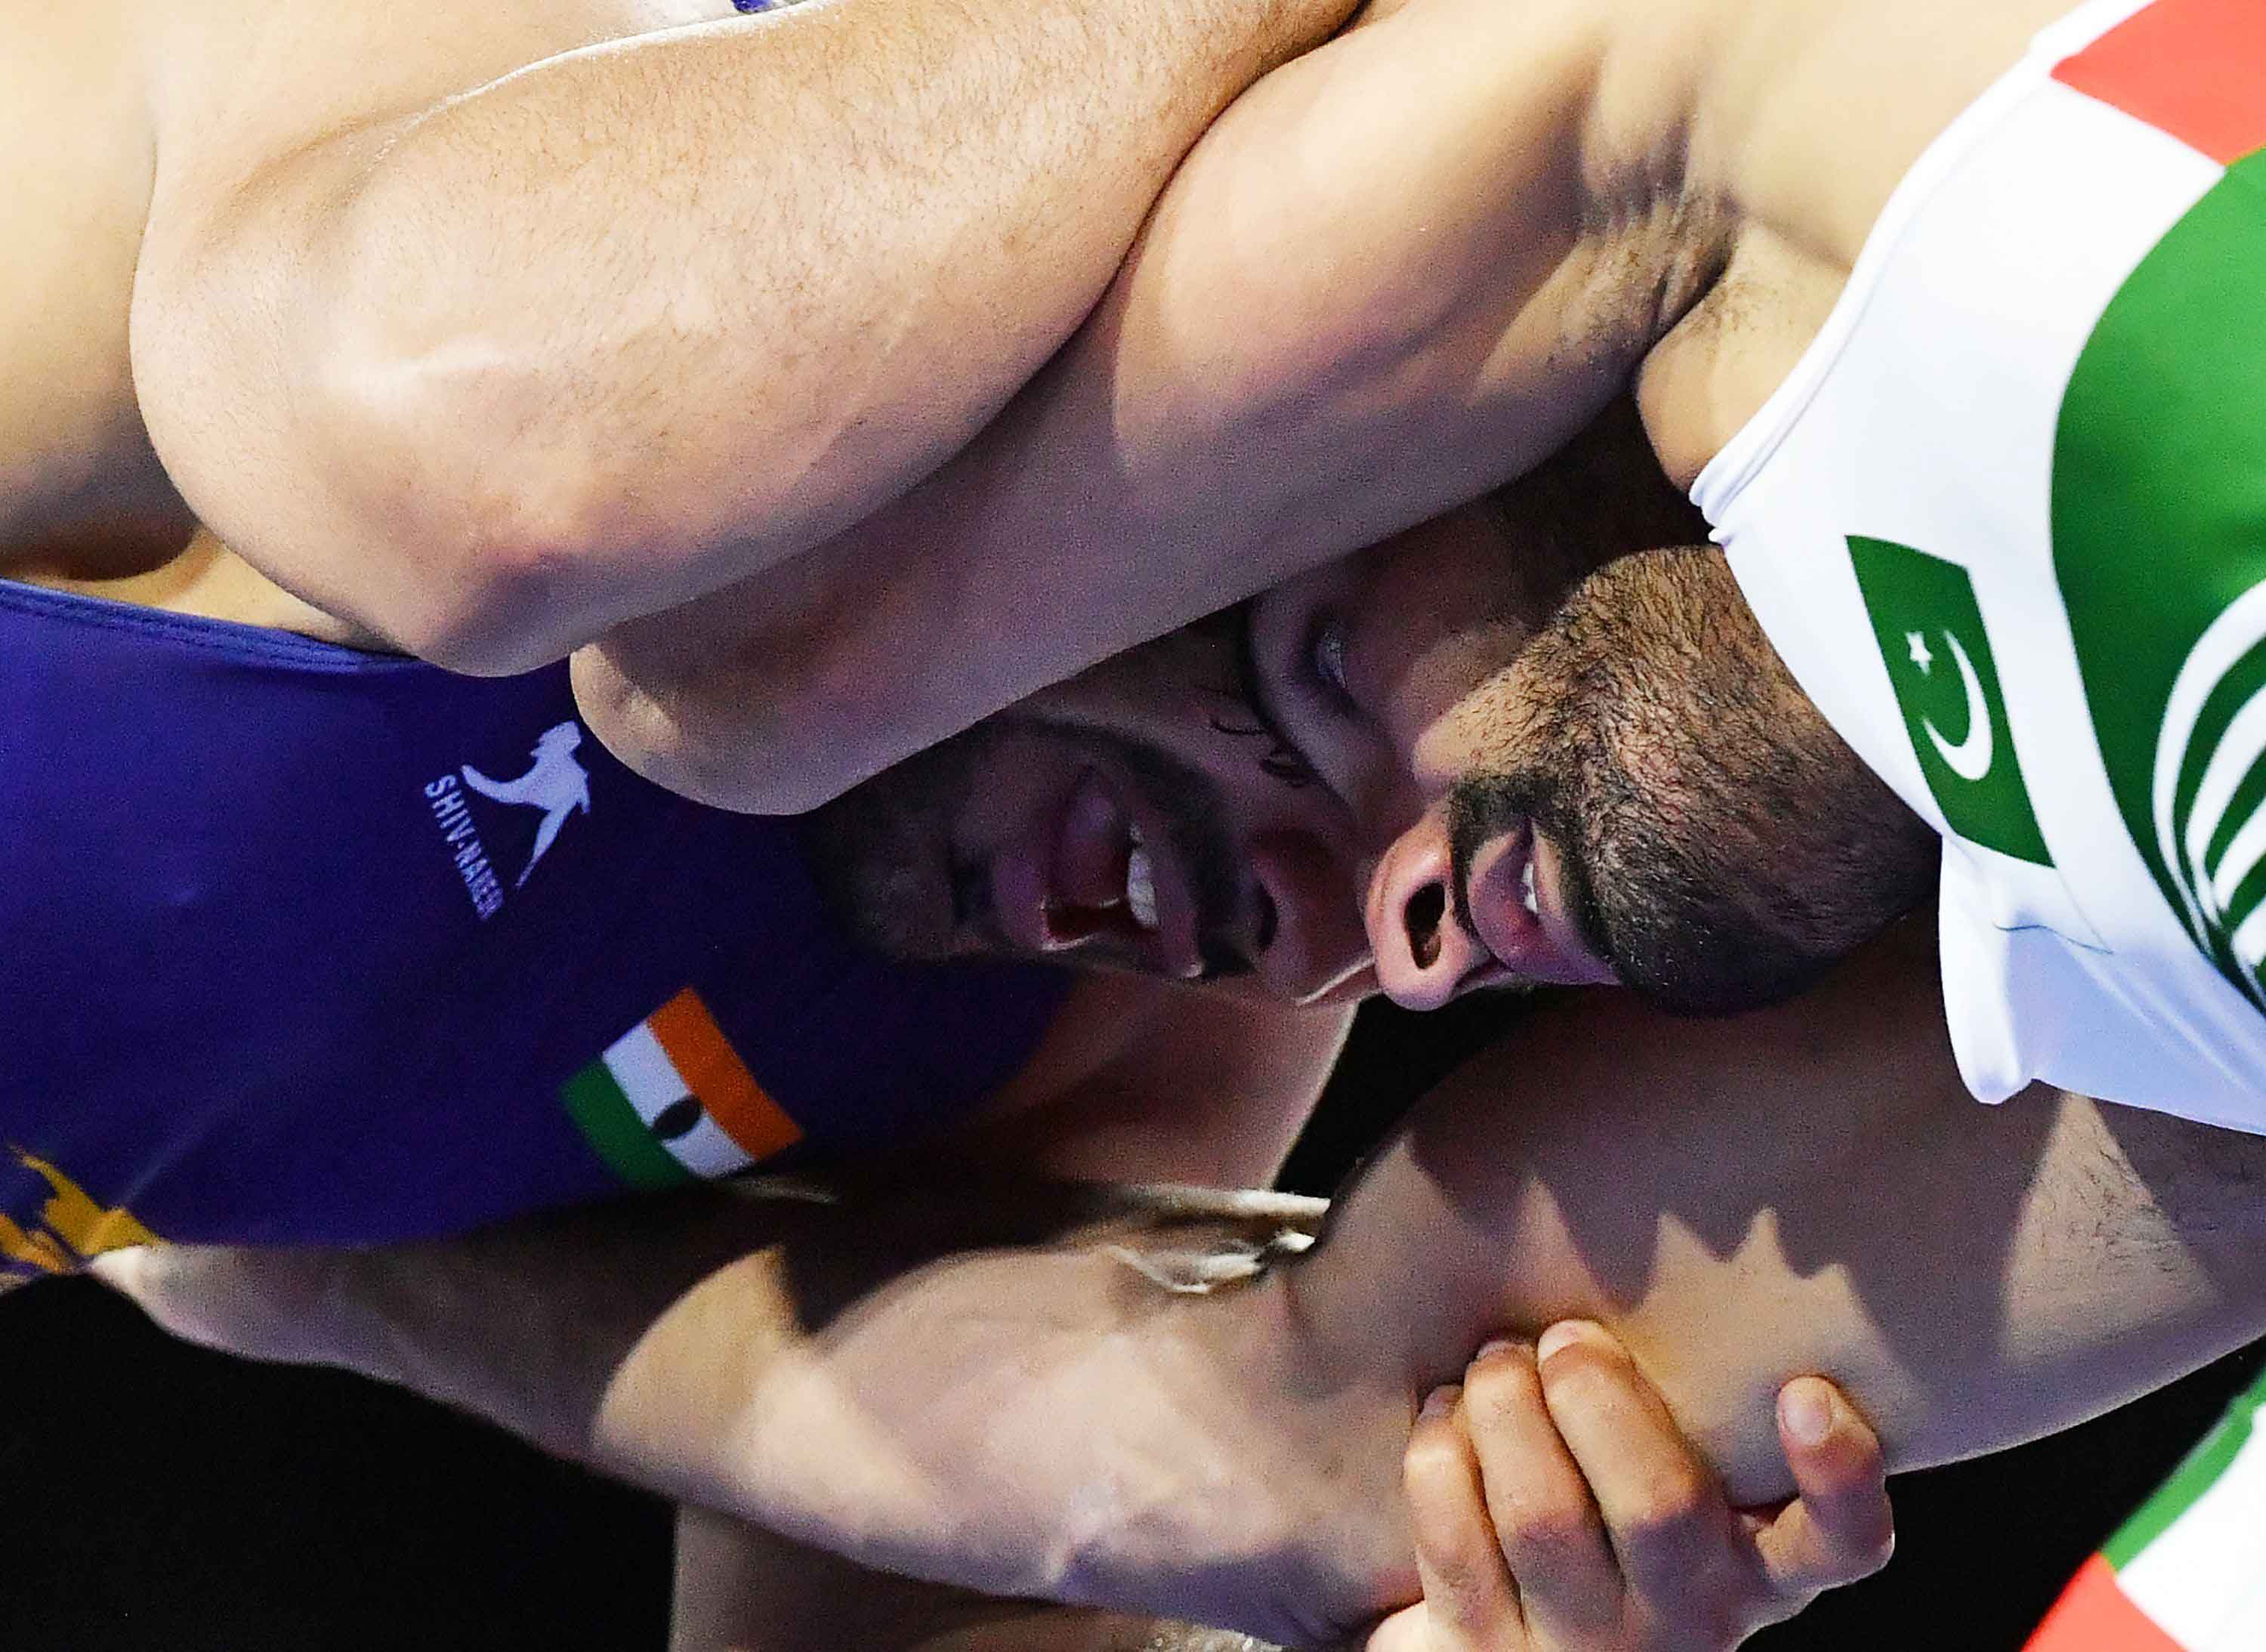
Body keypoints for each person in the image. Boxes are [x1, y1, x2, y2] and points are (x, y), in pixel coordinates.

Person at [108, 454, 2266, 1643]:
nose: (1345, 953)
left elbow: (1262, 1471)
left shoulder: (1122, 1017)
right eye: (1310, 680)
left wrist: (331, 1282)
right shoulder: (430, 297)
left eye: (1484, 939)